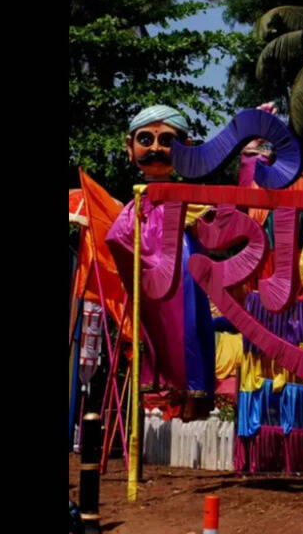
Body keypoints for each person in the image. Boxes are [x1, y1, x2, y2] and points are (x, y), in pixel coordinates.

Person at [105, 105, 217, 419]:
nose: (156, 148)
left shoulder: (189, 202)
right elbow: (118, 239)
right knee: (151, 333)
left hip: (182, 273)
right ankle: (159, 388)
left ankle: (188, 390)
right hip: (148, 281)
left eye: (167, 141)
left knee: (189, 326)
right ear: (130, 147)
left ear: (187, 148)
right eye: (146, 139)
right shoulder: (136, 203)